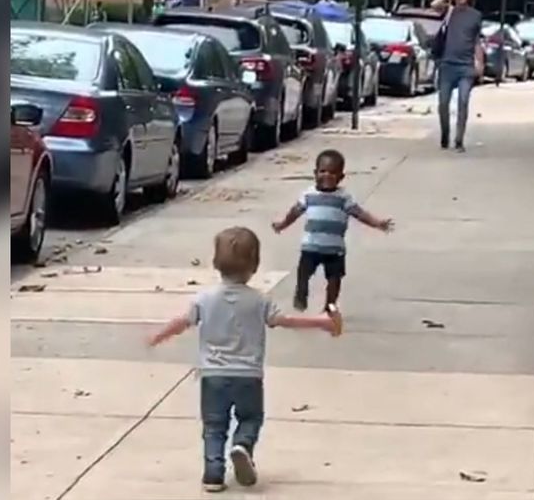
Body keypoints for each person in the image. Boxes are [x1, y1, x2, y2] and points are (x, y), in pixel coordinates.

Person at [147, 227, 343, 493]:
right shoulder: (259, 300)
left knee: (214, 426)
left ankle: (213, 475)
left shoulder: (204, 298)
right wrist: (320, 322)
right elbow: (285, 321)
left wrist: (158, 336)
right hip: (248, 376)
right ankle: (243, 445)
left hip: (212, 376)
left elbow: (182, 322)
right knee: (251, 418)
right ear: (254, 265)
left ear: (216, 263)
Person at [272, 150, 395, 312]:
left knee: (334, 280)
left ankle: (330, 306)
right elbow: (294, 212)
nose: (327, 176)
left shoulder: (344, 198)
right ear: (315, 173)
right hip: (310, 246)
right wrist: (282, 224)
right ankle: (301, 294)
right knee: (303, 274)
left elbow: (359, 214)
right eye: (323, 171)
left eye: (333, 172)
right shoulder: (308, 195)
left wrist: (377, 223)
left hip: (335, 249)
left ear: (341, 177)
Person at [431, 0, 485, 152]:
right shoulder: (449, 11)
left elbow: (476, 42)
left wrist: (480, 63)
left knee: (463, 101)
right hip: (447, 65)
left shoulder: (475, 15)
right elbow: (434, 4)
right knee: (443, 104)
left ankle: (459, 140)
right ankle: (445, 135)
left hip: (466, 67)